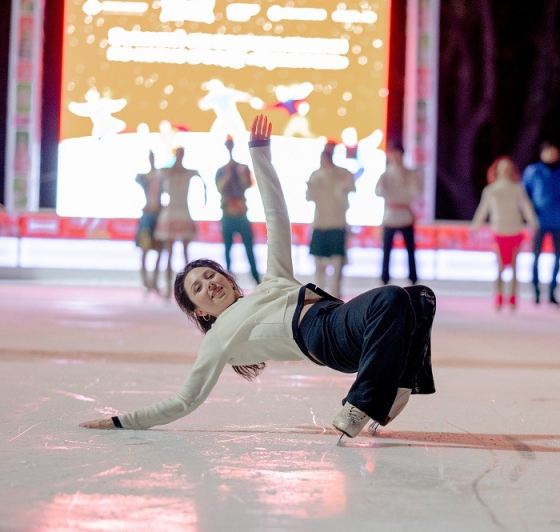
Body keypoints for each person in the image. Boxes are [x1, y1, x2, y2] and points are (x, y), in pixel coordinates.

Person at [79, 115, 436, 439]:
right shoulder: (220, 337)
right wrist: (122, 421)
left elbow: (276, 216)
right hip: (320, 336)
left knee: (419, 298)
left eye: (210, 275)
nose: (209, 284)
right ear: (200, 311)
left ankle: (392, 395)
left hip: (341, 321)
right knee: (390, 297)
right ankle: (360, 404)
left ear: (230, 280)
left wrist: (260, 156)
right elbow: (185, 400)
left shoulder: (273, 281)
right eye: (199, 289)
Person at [470, 156, 538, 310]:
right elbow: (483, 209)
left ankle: (513, 296)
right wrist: (476, 225)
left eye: (508, 168)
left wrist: (533, 222)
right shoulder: (491, 190)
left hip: (514, 230)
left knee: (514, 266)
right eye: (503, 168)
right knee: (499, 266)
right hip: (499, 230)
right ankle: (499, 295)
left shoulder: (517, 189)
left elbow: (526, 207)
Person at [522, 141, 560, 306]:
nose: (552, 156)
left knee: (558, 258)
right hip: (538, 222)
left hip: (559, 220)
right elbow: (525, 194)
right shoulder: (533, 171)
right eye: (548, 152)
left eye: (554, 152)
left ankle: (553, 291)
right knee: (536, 257)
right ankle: (536, 291)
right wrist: (530, 214)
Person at [154, 146, 207, 298]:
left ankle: (189, 288)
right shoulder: (166, 172)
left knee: (185, 254)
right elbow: (155, 180)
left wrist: (205, 197)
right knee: (169, 253)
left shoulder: (188, 172)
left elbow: (202, 180)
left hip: (183, 211)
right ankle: (168, 287)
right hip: (171, 211)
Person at [306, 141, 356, 298]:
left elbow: (350, 188)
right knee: (319, 266)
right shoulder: (316, 175)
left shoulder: (343, 174)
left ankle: (335, 295)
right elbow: (309, 196)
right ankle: (320, 295)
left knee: (337, 264)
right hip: (320, 223)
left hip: (337, 224)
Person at [376, 141, 423, 286]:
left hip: (405, 215)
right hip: (390, 215)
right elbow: (379, 191)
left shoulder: (410, 174)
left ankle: (413, 278)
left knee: (410, 250)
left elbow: (415, 193)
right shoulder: (386, 174)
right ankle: (384, 278)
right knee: (386, 250)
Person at [215, 136, 260, 284]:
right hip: (228, 214)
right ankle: (229, 282)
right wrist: (228, 175)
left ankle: (257, 280)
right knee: (228, 251)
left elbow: (248, 184)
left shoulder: (242, 168)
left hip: (241, 214)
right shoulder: (222, 170)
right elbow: (219, 188)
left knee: (249, 250)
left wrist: (240, 174)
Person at [134, 151, 164, 293]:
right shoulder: (145, 177)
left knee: (159, 250)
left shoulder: (160, 177)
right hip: (147, 216)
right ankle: (145, 281)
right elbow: (137, 179)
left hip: (158, 216)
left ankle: (154, 281)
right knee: (144, 249)